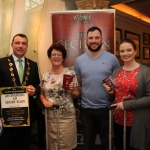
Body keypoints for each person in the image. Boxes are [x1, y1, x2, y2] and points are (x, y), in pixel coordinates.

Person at [74, 26, 120, 150]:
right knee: (88, 142)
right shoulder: (79, 61)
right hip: (86, 109)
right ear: (86, 40)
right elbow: (79, 83)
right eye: (91, 38)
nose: (94, 40)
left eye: (96, 38)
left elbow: (117, 83)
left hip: (107, 108)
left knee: (107, 142)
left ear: (102, 39)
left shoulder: (112, 59)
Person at [103, 38, 150, 150]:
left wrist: (126, 105)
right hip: (117, 120)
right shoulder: (116, 71)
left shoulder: (146, 71)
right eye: (122, 51)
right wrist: (110, 93)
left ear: (135, 51)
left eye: (129, 50)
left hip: (136, 122)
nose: (125, 54)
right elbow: (114, 97)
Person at [0, 34, 40, 150]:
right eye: (17, 43)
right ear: (12, 45)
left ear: (27, 46)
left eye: (24, 43)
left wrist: (35, 90)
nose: (20, 46)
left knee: (24, 144)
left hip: (25, 115)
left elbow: (38, 85)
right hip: (6, 116)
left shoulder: (33, 65)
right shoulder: (1, 63)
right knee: (6, 144)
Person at [40, 43, 80, 150]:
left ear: (63, 58)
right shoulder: (45, 75)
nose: (56, 57)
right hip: (50, 117)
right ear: (49, 57)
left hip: (66, 117)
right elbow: (41, 93)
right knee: (52, 146)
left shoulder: (70, 74)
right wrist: (44, 101)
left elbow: (77, 94)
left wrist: (71, 91)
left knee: (67, 146)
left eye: (59, 55)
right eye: (53, 55)